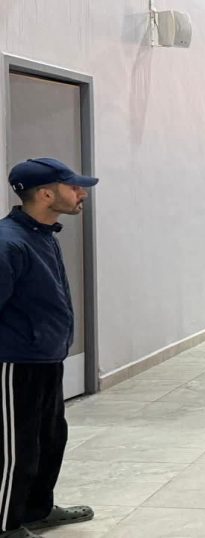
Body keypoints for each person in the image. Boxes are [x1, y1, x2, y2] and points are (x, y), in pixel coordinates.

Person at [0, 158, 98, 538]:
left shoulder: (41, 235)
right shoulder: (8, 243)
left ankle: (36, 510)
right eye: (73, 187)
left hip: (45, 358)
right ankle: (6, 525)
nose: (81, 193)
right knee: (16, 449)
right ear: (45, 194)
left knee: (49, 439)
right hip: (15, 363)